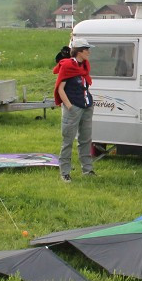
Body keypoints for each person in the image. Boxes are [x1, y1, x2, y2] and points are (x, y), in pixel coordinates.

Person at [53, 38, 95, 182]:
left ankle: (87, 170)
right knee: (68, 141)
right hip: (73, 107)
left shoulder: (84, 65)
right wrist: (69, 106)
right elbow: (60, 89)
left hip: (86, 105)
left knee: (85, 139)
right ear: (79, 51)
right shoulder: (68, 66)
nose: (89, 52)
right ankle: (64, 172)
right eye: (86, 49)